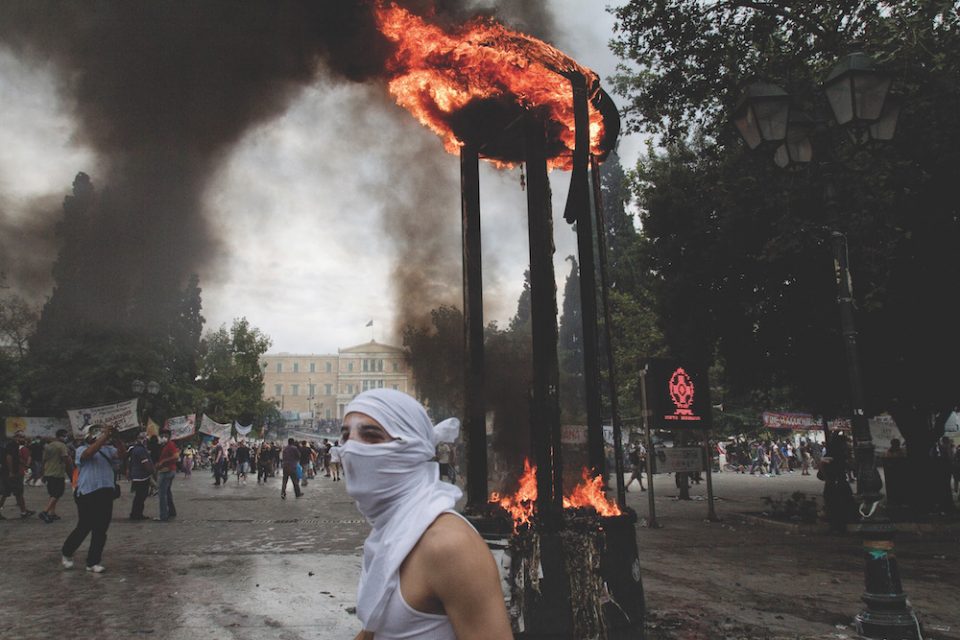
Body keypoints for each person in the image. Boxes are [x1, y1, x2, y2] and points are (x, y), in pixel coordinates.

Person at [341, 389, 512, 640]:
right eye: (346, 436)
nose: (351, 448)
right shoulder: (394, 531)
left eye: (372, 436)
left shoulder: (449, 545)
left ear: (413, 448)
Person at [61, 424, 119, 572]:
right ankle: (67, 551)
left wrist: (117, 438)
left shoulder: (109, 449)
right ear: (88, 436)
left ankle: (93, 562)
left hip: (105, 492)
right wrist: (104, 437)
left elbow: (122, 455)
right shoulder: (81, 449)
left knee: (101, 528)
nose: (99, 435)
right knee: (84, 526)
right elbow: (88, 454)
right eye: (95, 433)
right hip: (87, 493)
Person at [39, 429, 73, 523]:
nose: (66, 437)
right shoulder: (62, 446)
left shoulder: (49, 446)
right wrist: (71, 472)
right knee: (57, 493)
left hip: (48, 472)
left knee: (52, 493)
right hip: (58, 473)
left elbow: (43, 460)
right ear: (60, 436)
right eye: (65, 435)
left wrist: (42, 473)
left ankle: (52, 513)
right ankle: (45, 511)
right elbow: (66, 459)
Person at [0, 430, 34, 519]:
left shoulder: (13, 445)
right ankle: (24, 512)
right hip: (11, 473)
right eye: (20, 436)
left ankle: (24, 511)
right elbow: (9, 457)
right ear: (16, 437)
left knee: (6, 493)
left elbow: (16, 458)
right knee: (18, 492)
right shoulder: (13, 445)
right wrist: (11, 471)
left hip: (6, 472)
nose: (23, 438)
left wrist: (24, 464)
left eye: (23, 436)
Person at [127, 433, 154, 520]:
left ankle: (137, 513)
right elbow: (145, 463)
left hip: (137, 475)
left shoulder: (135, 449)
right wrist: (151, 471)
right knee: (141, 496)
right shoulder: (141, 450)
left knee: (139, 496)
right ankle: (136, 514)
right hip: (141, 476)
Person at [155, 429, 179, 521]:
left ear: (168, 436)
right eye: (161, 435)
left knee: (162, 494)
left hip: (167, 471)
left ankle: (163, 515)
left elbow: (176, 456)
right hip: (167, 470)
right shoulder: (165, 446)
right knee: (167, 492)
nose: (162, 437)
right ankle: (172, 511)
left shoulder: (170, 445)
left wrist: (164, 461)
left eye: (164, 435)